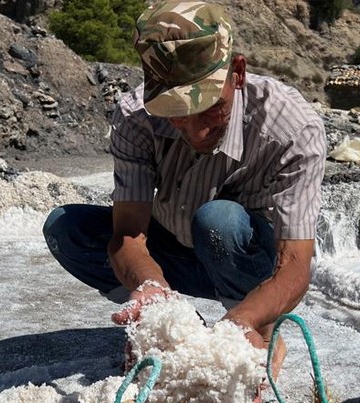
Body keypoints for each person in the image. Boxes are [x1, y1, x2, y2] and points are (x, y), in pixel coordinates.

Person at [43, 0, 326, 372]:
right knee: (68, 229)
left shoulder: (292, 129)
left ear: (237, 73)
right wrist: (154, 295)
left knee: (218, 221)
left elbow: (294, 266)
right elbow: (128, 232)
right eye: (175, 113)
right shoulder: (136, 118)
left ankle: (260, 327)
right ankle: (181, 323)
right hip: (173, 252)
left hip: (245, 262)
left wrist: (240, 325)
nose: (196, 131)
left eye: (210, 107)